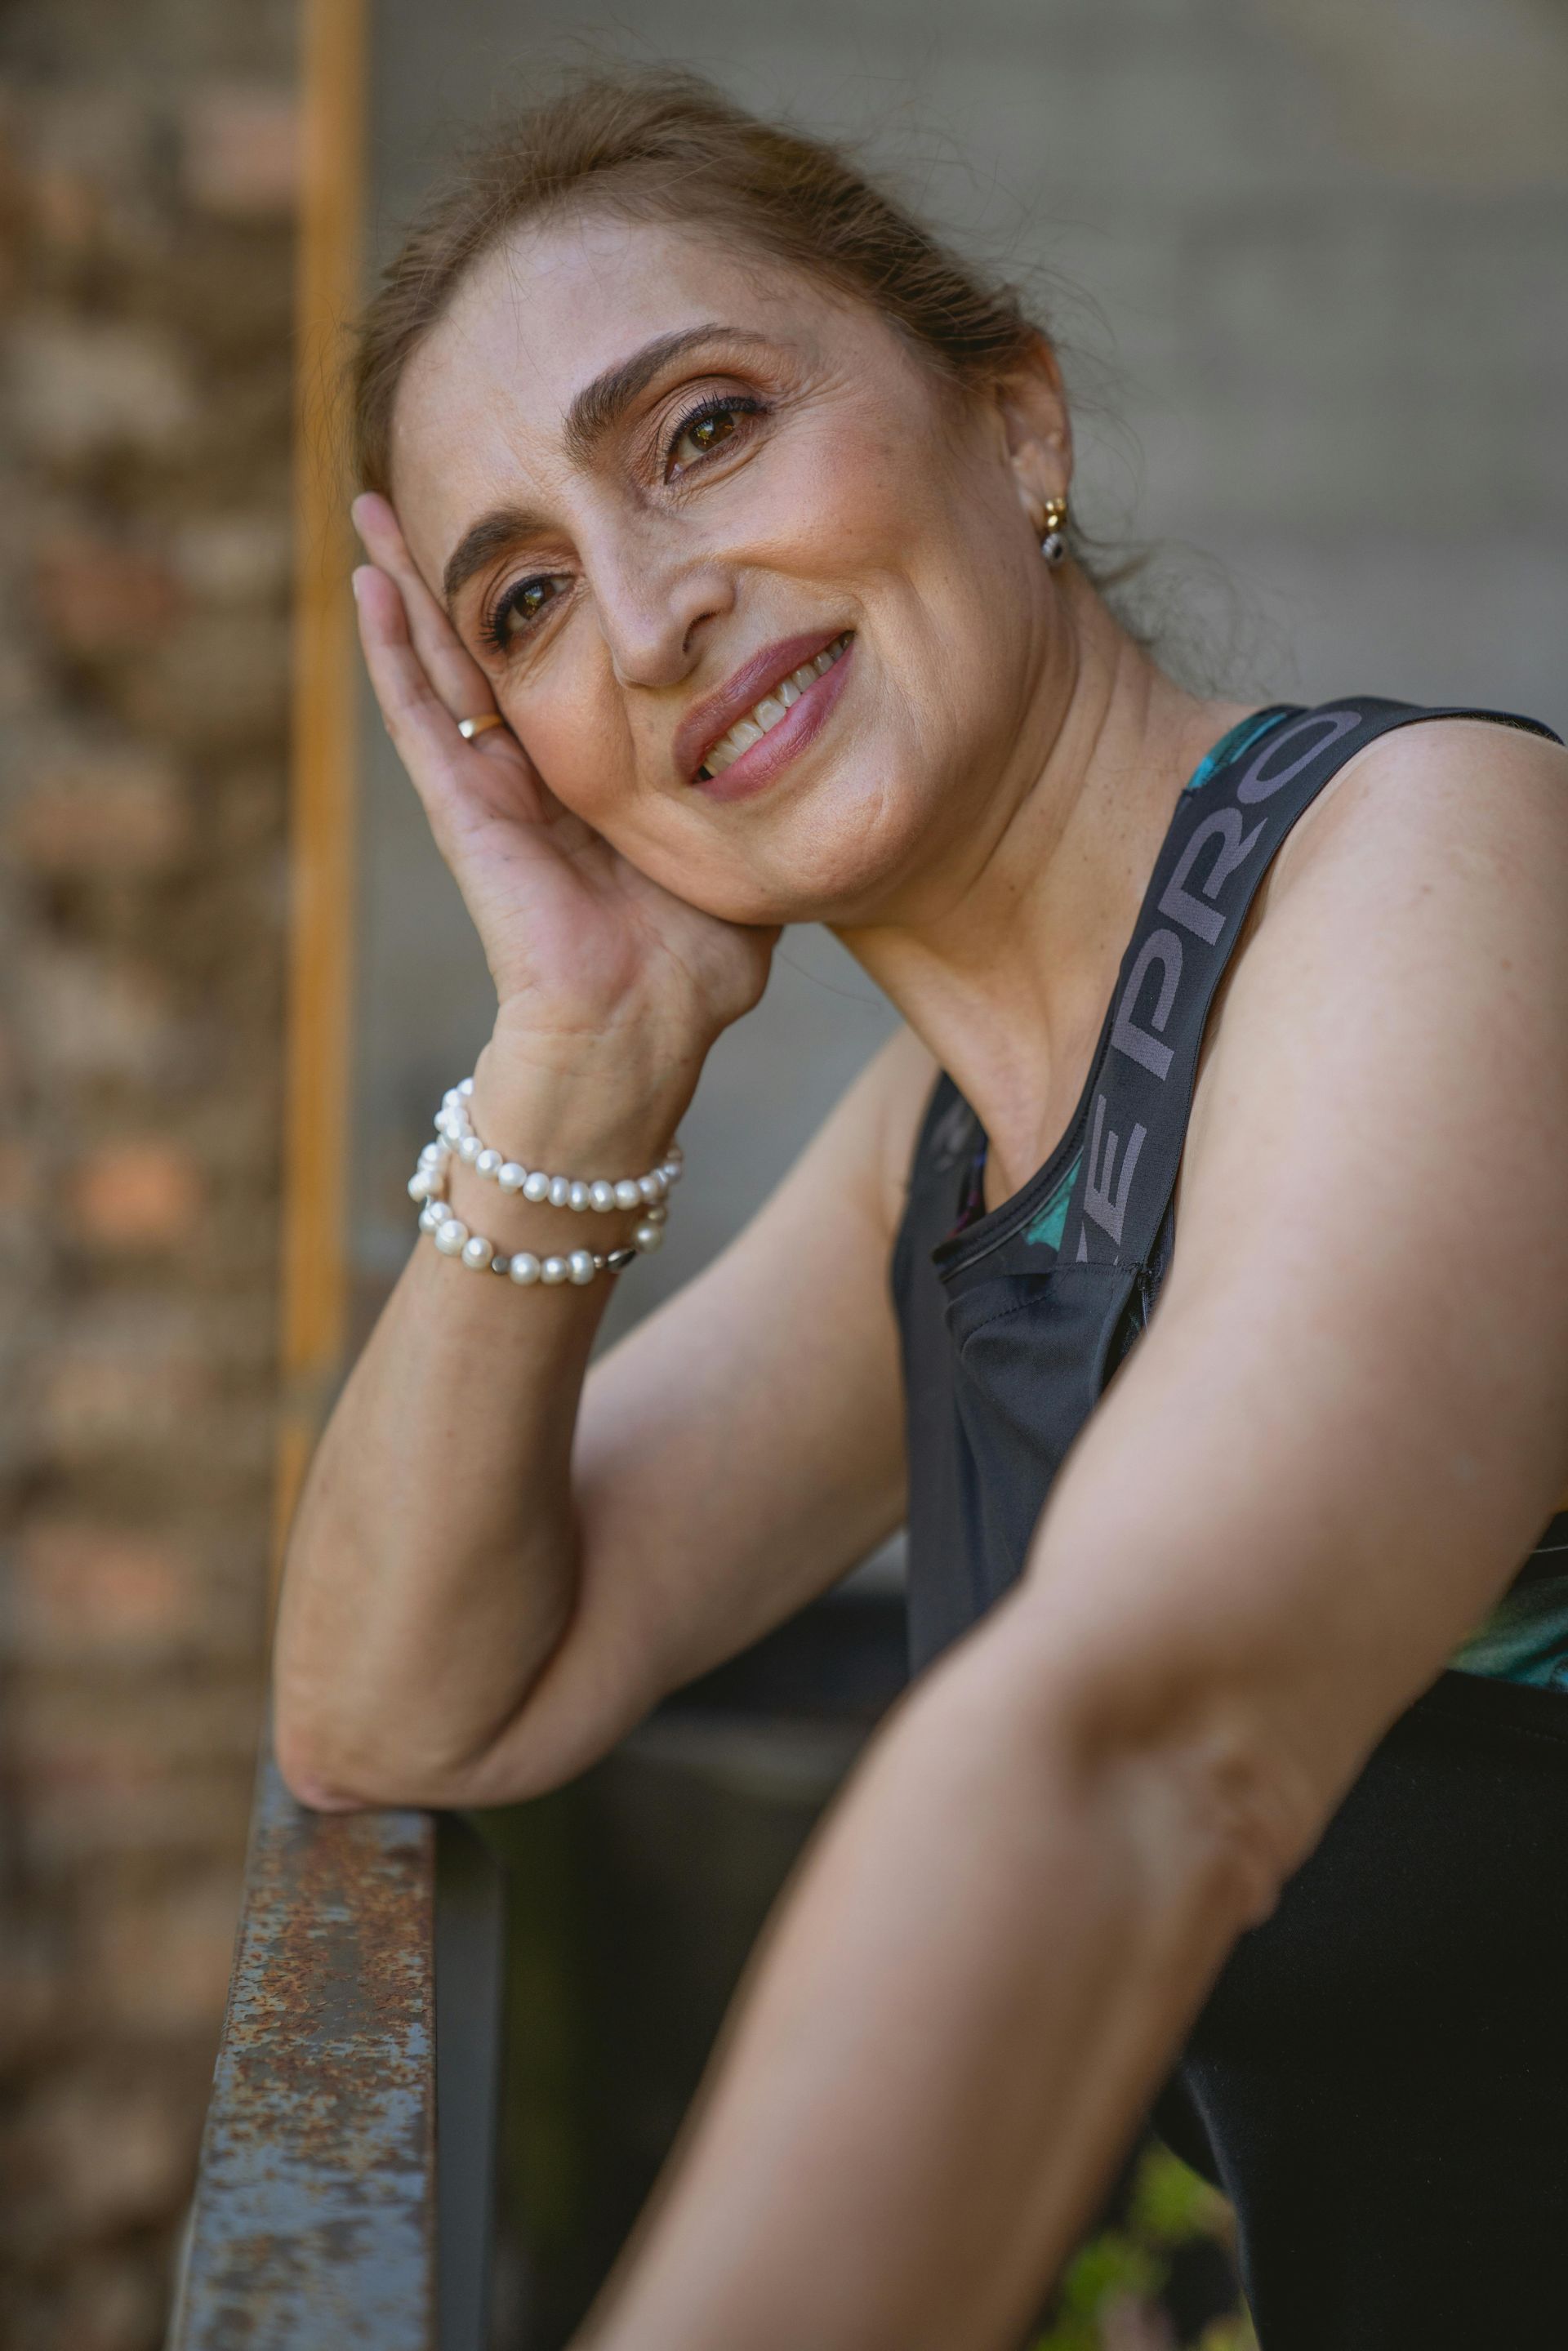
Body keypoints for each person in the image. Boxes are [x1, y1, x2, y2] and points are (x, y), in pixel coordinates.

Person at [273, 69, 1568, 2351]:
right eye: (531, 599)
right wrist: (586, 1030)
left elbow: (1146, 1738)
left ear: (1018, 426)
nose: (657, 617)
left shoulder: (1436, 873)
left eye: (702, 432)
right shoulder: (954, 1147)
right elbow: (402, 1706)